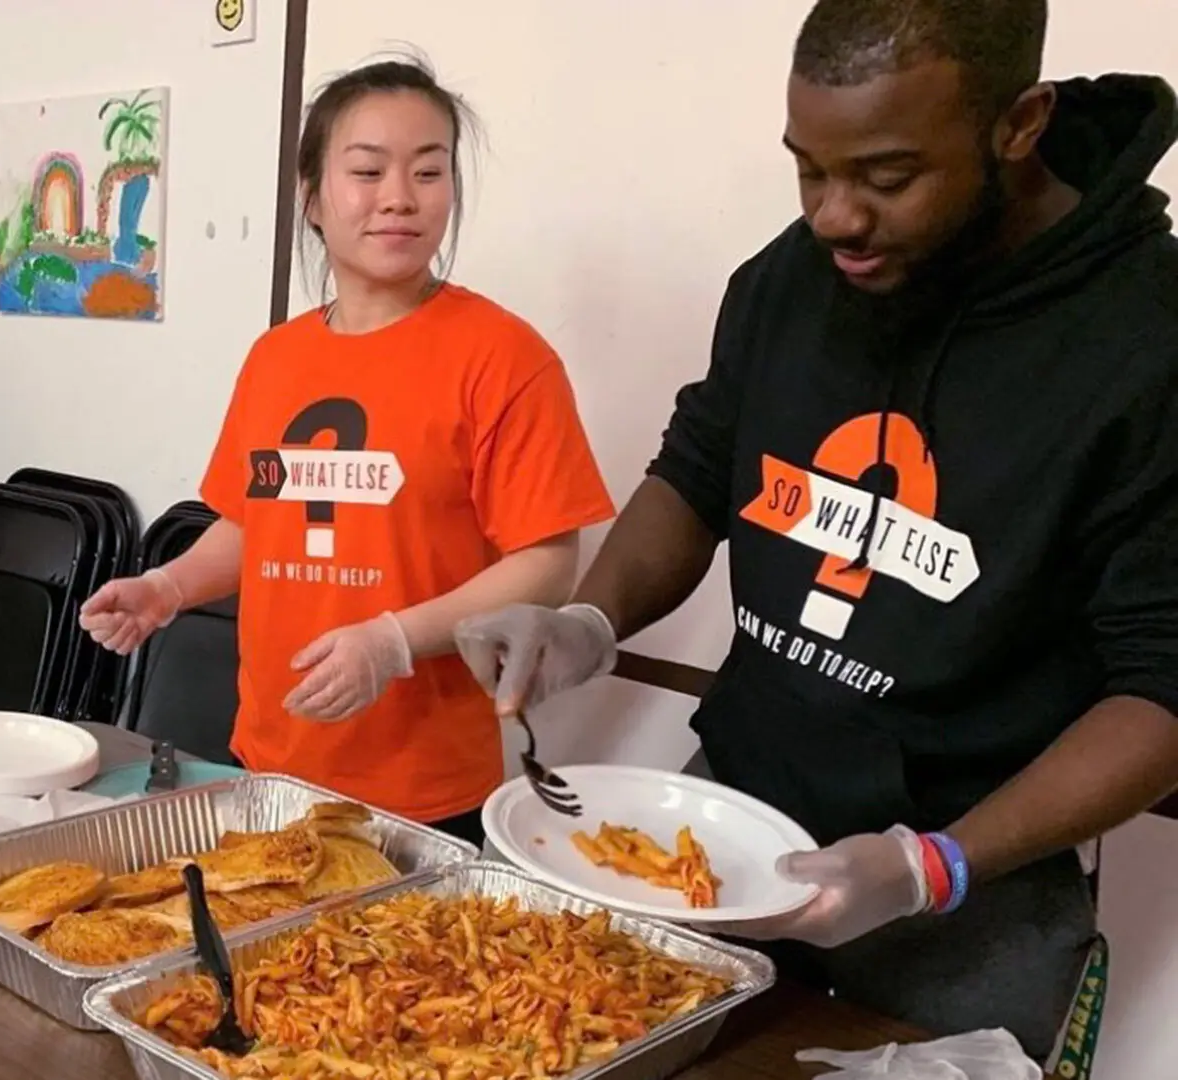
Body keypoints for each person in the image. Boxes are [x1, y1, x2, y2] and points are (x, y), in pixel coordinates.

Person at [455, 0, 1177, 1060]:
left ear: (1018, 123)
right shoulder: (789, 280)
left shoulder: (1144, 342)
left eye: (886, 178)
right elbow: (699, 473)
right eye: (808, 169)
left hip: (970, 894)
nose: (835, 216)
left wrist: (932, 865)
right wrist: (588, 619)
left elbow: (1162, 688)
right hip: (723, 832)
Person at [80, 58, 616, 844]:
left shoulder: (503, 356)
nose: (399, 196)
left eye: (429, 171)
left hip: (422, 790)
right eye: (368, 170)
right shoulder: (277, 359)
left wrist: (393, 641)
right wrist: (169, 586)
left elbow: (545, 561)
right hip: (268, 762)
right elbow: (255, 521)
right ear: (312, 199)